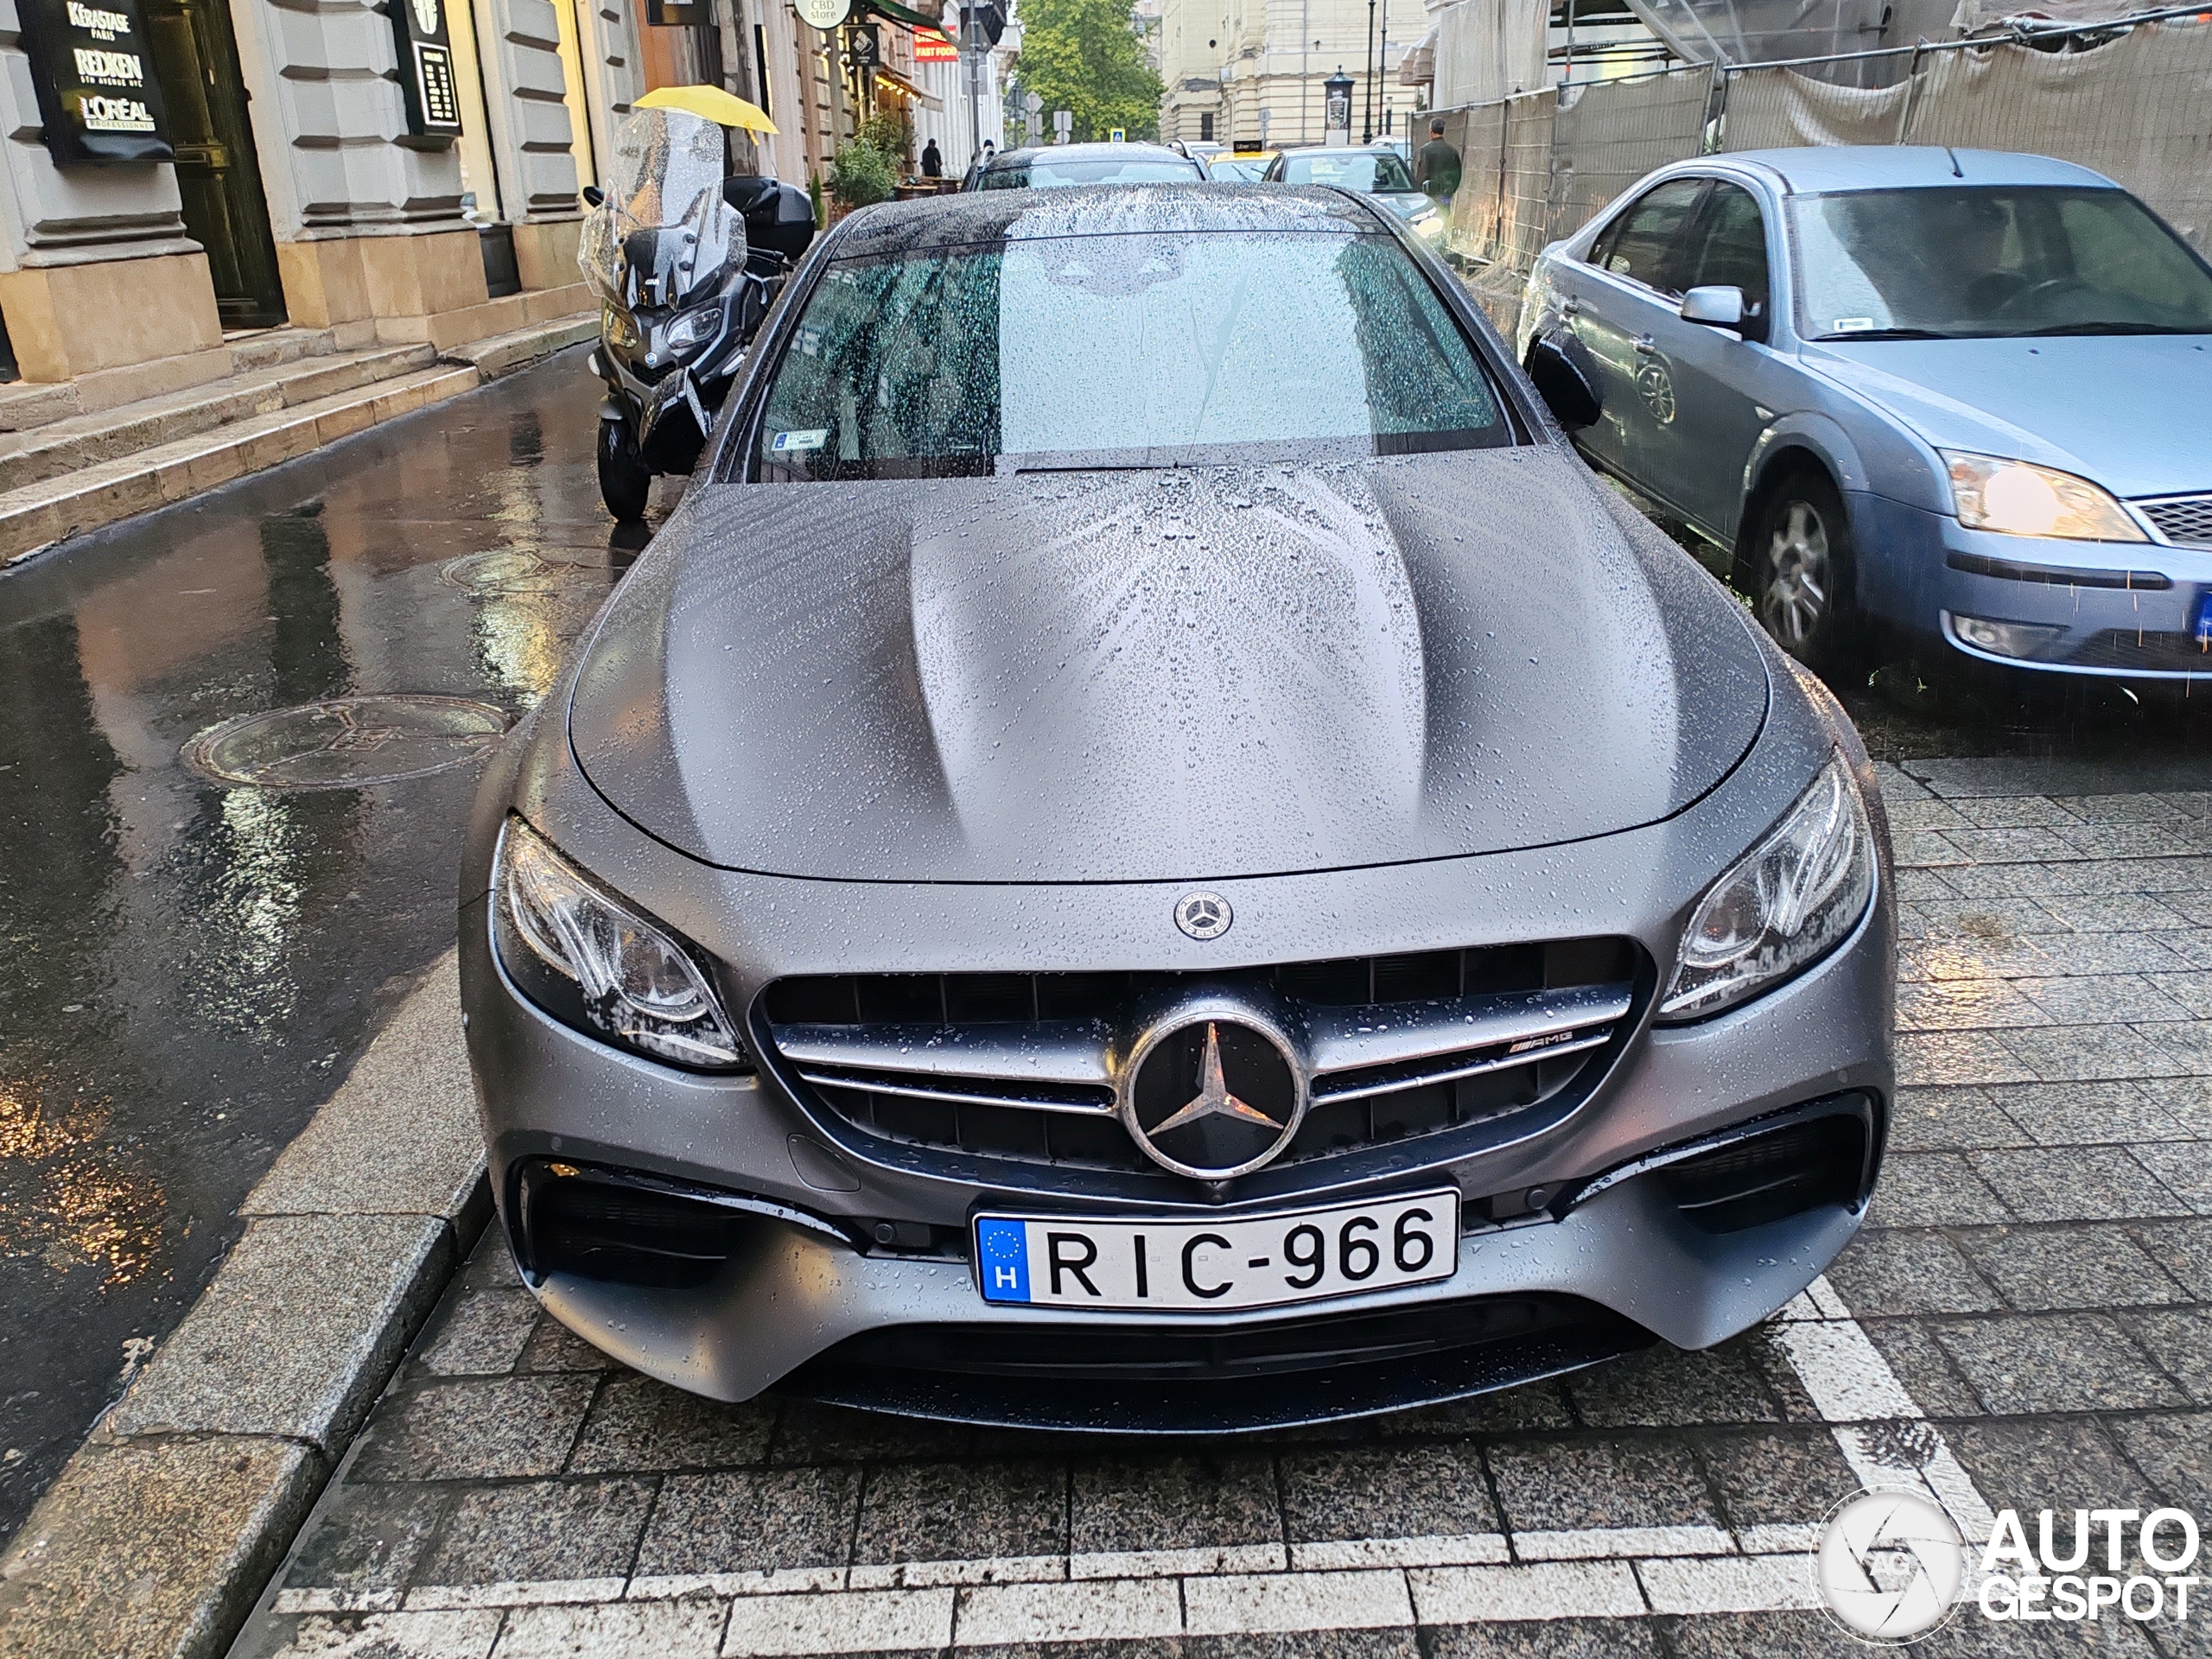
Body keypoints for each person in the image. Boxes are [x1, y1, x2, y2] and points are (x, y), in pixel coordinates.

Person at [1415, 116, 1460, 205]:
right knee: (1445, 213)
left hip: (1430, 192)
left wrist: (1419, 188)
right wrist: (1452, 189)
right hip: (1446, 192)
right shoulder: (1452, 151)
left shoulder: (1425, 150)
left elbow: (1422, 173)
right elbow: (1458, 174)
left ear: (1431, 131)